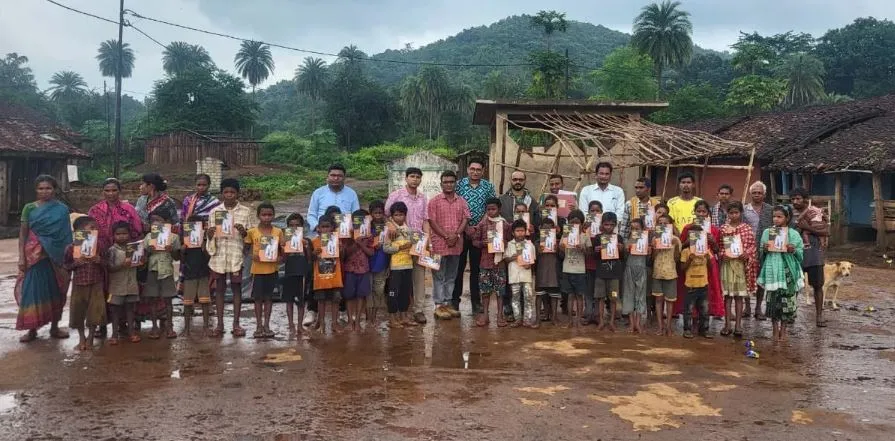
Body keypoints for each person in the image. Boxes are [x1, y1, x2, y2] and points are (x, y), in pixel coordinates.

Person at [15, 175, 71, 343]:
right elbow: (23, 234)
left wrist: (66, 256)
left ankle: (55, 327)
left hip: (55, 258)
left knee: (56, 291)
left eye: (48, 188)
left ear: (54, 189)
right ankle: (32, 329)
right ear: (35, 190)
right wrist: (21, 257)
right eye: (41, 188)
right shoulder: (29, 208)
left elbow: (65, 235)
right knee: (32, 292)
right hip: (34, 257)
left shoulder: (62, 209)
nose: (45, 191)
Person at [306, 164, 359, 327]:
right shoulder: (318, 193)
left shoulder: (351, 194)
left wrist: (349, 230)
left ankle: (342, 311)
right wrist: (319, 229)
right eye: (333, 175)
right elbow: (311, 214)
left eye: (339, 176)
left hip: (342, 240)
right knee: (315, 275)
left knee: (340, 274)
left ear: (344, 177)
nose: (336, 178)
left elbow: (356, 214)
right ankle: (312, 311)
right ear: (327, 176)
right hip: (320, 239)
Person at [206, 178, 255, 338]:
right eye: (226, 192)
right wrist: (210, 234)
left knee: (236, 289)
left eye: (232, 192)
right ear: (221, 194)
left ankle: (236, 324)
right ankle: (220, 325)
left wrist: (243, 232)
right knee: (219, 289)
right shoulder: (214, 212)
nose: (229, 195)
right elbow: (210, 235)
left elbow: (251, 236)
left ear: (237, 193)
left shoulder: (246, 211)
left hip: (236, 255)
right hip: (219, 255)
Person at [385, 167, 430, 324]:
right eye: (412, 176)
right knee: (398, 279)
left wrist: (427, 240)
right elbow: (386, 215)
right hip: (399, 242)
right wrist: (390, 225)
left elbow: (425, 220)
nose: (415, 179)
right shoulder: (396, 195)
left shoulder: (423, 198)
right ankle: (396, 311)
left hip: (417, 241)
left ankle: (418, 310)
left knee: (418, 277)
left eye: (418, 177)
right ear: (406, 178)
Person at [454, 159, 495, 316]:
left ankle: (476, 302)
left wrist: (478, 227)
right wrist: (466, 227)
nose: (475, 172)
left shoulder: (488, 186)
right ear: (468, 170)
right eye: (472, 169)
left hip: (480, 233)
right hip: (461, 233)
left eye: (478, 169)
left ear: (483, 170)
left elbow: (491, 208)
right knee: (459, 268)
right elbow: (455, 207)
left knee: (477, 269)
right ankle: (455, 301)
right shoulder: (459, 185)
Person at [758, 205, 804, 342]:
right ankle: (774, 329)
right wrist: (765, 249)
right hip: (772, 269)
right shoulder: (767, 232)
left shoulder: (794, 234)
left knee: (787, 299)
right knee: (772, 299)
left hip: (788, 270)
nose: (776, 219)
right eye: (774, 216)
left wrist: (793, 249)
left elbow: (800, 254)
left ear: (787, 218)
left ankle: (783, 330)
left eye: (779, 216)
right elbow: (761, 252)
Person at [429, 171, 471, 320]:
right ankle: (438, 305)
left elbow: (466, 219)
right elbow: (432, 222)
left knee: (451, 276)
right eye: (445, 182)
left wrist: (456, 235)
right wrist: (447, 236)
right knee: (438, 276)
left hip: (456, 245)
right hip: (438, 245)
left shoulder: (461, 201)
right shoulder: (434, 201)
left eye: (451, 182)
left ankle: (447, 304)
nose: (448, 184)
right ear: (441, 184)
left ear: (455, 183)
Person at [674, 200, 725, 321]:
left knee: (707, 291)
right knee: (691, 290)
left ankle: (705, 320)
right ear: (694, 212)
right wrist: (689, 240)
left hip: (708, 263)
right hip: (691, 263)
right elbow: (681, 246)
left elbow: (718, 250)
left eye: (704, 211)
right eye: (699, 211)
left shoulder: (713, 230)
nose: (701, 214)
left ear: (708, 213)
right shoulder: (688, 228)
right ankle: (692, 318)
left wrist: (712, 241)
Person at [790, 187, 831, 327]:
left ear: (805, 200)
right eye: (793, 199)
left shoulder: (815, 212)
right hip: (796, 254)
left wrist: (807, 227)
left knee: (818, 286)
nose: (795, 201)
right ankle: (791, 312)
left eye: (798, 198)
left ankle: (819, 316)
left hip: (815, 254)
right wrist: (800, 228)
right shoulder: (789, 213)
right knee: (793, 285)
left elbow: (825, 231)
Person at [63, 215, 106, 350]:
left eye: (95, 228)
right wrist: (76, 263)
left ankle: (91, 336)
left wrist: (100, 260)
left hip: (96, 283)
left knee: (95, 311)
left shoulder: (99, 245)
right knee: (79, 311)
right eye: (91, 228)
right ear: (78, 232)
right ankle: (82, 337)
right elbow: (66, 265)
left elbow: (107, 263)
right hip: (79, 284)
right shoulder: (71, 248)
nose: (94, 231)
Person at [244, 202, 283, 339]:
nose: (266, 217)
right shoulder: (252, 232)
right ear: (258, 216)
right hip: (257, 271)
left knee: (269, 298)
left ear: (273, 215)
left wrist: (280, 258)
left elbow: (283, 251)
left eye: (269, 215)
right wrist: (252, 256)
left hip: (272, 270)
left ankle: (267, 325)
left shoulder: (278, 232)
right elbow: (246, 249)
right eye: (264, 215)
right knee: (257, 299)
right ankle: (258, 326)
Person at [719, 201, 757, 338]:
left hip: (741, 266)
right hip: (728, 266)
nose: (734, 215)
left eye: (736, 212)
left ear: (741, 213)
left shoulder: (746, 228)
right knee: (728, 296)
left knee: (739, 296)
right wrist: (724, 254)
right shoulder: (723, 229)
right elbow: (720, 247)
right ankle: (727, 324)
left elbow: (752, 246)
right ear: (727, 214)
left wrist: (746, 253)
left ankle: (738, 325)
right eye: (731, 213)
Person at [143, 208, 181, 340]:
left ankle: (169, 326)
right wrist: (148, 251)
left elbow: (177, 257)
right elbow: (143, 258)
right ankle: (154, 326)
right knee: (152, 300)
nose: (155, 223)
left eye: (158, 220)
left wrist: (171, 251)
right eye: (152, 221)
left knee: (168, 301)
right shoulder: (148, 237)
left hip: (167, 272)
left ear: (166, 222)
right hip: (152, 271)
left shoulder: (174, 237)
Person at [473, 198, 510, 327]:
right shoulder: (482, 224)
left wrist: (504, 244)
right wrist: (482, 243)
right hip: (485, 263)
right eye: (488, 209)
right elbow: (474, 241)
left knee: (500, 291)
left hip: (499, 263)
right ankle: (486, 315)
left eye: (493, 209)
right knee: (485, 291)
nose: (491, 212)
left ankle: (500, 315)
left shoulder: (505, 225)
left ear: (499, 209)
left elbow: (510, 241)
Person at [383, 202, 417, 328]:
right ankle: (392, 318)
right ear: (392, 216)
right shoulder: (390, 231)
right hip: (395, 267)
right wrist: (400, 247)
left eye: (401, 214)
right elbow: (386, 248)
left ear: (405, 215)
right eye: (396, 215)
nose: (399, 217)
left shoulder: (409, 230)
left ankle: (404, 316)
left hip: (408, 265)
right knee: (393, 293)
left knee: (405, 292)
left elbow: (414, 244)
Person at [743, 181, 774, 319]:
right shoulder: (744, 210)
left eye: (759, 193)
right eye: (754, 193)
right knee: (746, 278)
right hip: (747, 249)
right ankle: (747, 307)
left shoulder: (771, 210)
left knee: (762, 279)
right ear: (750, 194)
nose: (757, 195)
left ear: (764, 194)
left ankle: (758, 308)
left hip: (765, 249)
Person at [107, 221, 141, 344]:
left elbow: (140, 265)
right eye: (118, 234)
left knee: (130, 309)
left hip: (131, 285)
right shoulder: (112, 250)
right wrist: (122, 265)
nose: (122, 236)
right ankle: (114, 334)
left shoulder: (135, 248)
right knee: (115, 311)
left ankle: (131, 332)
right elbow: (109, 268)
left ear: (129, 234)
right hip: (116, 286)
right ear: (113, 236)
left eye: (124, 233)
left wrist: (142, 260)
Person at [311, 215, 346, 333]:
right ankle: (322, 323)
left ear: (333, 228)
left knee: (336, 300)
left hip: (335, 277)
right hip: (320, 279)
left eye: (328, 227)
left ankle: (334, 323)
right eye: (323, 227)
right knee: (321, 301)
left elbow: (342, 257)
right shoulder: (314, 242)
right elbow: (310, 259)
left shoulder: (337, 241)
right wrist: (314, 253)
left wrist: (341, 249)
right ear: (318, 228)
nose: (325, 229)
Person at [88, 178, 143, 252]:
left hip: (124, 251)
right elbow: (89, 232)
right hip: (100, 251)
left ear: (119, 191)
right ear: (102, 192)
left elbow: (137, 231)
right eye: (107, 191)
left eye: (114, 190)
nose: (111, 193)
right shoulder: (94, 210)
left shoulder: (129, 209)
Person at [343, 208, 375, 332]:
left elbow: (371, 253)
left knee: (361, 295)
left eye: (363, 221)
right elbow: (345, 254)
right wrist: (354, 242)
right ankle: (350, 320)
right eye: (357, 222)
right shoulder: (347, 235)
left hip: (363, 269)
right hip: (350, 269)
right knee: (349, 295)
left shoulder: (370, 236)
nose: (359, 224)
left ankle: (357, 322)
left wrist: (361, 243)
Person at [559, 209, 592, 328]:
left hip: (580, 270)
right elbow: (561, 253)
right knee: (570, 296)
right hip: (567, 269)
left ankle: (578, 319)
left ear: (582, 224)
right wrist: (561, 247)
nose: (574, 225)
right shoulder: (565, 235)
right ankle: (570, 320)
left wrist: (583, 248)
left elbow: (589, 253)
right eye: (572, 222)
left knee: (579, 296)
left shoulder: (584, 236)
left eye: (577, 223)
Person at [680, 223, 714, 339]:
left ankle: (704, 330)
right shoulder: (685, 251)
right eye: (691, 236)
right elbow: (682, 268)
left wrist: (708, 258)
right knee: (688, 309)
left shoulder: (706, 250)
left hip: (703, 284)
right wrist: (690, 259)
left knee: (704, 310)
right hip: (690, 285)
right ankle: (687, 330)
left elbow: (710, 267)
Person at [180, 215, 212, 337]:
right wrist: (182, 251)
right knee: (187, 303)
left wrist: (204, 249)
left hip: (203, 272)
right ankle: (187, 328)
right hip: (189, 273)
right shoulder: (185, 239)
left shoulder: (205, 239)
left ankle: (206, 326)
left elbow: (210, 258)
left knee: (205, 301)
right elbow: (182, 260)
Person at [281, 213, 312, 338]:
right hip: (289, 272)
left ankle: (299, 325)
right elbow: (283, 259)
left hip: (302, 273)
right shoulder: (284, 241)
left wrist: (306, 246)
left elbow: (310, 259)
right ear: (287, 227)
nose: (294, 227)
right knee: (289, 300)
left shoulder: (307, 241)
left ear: (302, 227)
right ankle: (291, 325)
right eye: (291, 225)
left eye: (297, 225)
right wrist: (283, 247)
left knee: (301, 301)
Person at [593, 212, 624, 331]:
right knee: (600, 297)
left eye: (611, 225)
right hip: (601, 274)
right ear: (602, 225)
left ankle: (611, 321)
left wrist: (621, 250)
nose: (609, 227)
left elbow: (622, 257)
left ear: (615, 225)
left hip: (614, 275)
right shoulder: (597, 238)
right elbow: (594, 257)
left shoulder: (618, 238)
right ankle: (601, 320)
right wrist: (596, 250)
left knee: (613, 298)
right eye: (606, 224)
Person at [652, 214, 681, 336]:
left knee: (670, 301)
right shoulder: (654, 239)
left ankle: (668, 326)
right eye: (660, 223)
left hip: (670, 273)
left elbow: (677, 259)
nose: (663, 225)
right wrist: (656, 248)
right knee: (658, 300)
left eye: (665, 223)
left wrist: (675, 245)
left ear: (670, 225)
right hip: (657, 273)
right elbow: (652, 258)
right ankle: (660, 326)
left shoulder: (675, 239)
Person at [505, 219, 535, 327]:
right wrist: (512, 257)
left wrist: (529, 264)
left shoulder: (529, 244)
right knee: (515, 298)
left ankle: (527, 320)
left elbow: (532, 260)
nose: (520, 233)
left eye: (522, 231)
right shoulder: (509, 244)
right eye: (517, 231)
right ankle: (517, 319)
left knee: (528, 297)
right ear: (513, 232)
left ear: (526, 231)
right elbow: (506, 259)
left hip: (526, 275)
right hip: (514, 275)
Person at [623, 219, 649, 334]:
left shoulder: (646, 241)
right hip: (630, 268)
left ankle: (638, 322)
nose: (634, 231)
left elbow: (648, 259)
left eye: (637, 229)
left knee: (641, 295)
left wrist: (650, 251)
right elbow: (623, 256)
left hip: (641, 269)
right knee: (629, 294)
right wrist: (626, 248)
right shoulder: (627, 241)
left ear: (642, 229)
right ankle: (631, 322)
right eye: (632, 228)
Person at [535, 217, 560, 327]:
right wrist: (538, 252)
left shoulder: (558, 243)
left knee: (554, 297)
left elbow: (562, 257)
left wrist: (559, 249)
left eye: (550, 229)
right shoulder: (536, 242)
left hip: (554, 274)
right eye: (545, 229)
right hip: (541, 274)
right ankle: (538, 319)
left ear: (554, 229)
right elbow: (531, 258)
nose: (547, 232)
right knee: (539, 296)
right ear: (540, 229)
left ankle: (554, 317)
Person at [368, 201, 390, 326]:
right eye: (375, 213)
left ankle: (374, 317)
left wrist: (389, 266)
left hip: (382, 263)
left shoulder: (388, 228)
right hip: (368, 263)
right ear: (371, 214)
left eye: (380, 213)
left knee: (379, 290)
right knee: (368, 291)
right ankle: (369, 317)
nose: (378, 215)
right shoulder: (366, 228)